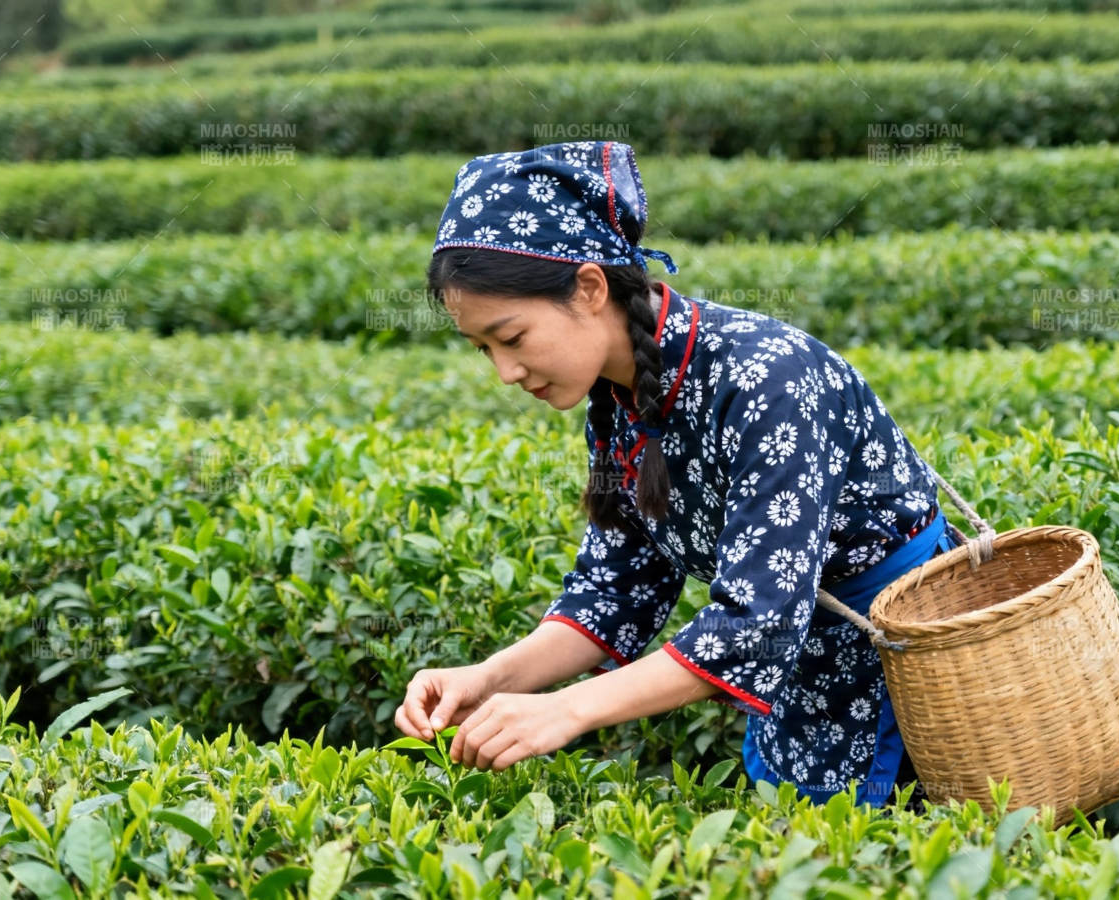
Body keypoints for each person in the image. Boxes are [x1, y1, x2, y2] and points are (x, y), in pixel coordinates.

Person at [393, 140, 964, 811]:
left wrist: (568, 711)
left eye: (511, 338)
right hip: (802, 690)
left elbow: (755, 623)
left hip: (914, 672)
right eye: (483, 348)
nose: (505, 373)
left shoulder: (766, 380)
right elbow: (615, 590)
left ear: (589, 287)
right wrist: (489, 679)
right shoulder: (620, 399)